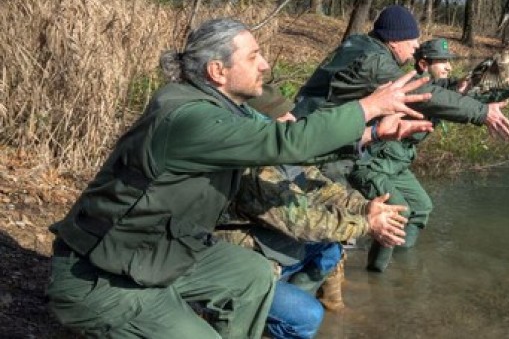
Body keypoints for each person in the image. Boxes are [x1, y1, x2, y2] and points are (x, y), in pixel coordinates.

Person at [45, 18, 432, 338]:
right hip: (100, 280)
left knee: (251, 274)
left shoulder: (220, 110)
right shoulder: (189, 116)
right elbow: (286, 143)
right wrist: (368, 107)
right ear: (217, 71)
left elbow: (291, 149)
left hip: (156, 255)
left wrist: (372, 134)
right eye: (254, 56)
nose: (265, 64)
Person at [293, 5, 509, 273]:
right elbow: (434, 97)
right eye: (412, 40)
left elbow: (457, 92)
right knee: (333, 231)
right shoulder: (374, 62)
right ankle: (354, 277)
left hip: (328, 143)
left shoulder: (367, 51)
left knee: (397, 213)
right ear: (394, 39)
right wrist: (482, 113)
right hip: (323, 148)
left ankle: (384, 273)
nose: (416, 46)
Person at [213, 85, 410, 338]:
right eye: (283, 118)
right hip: (243, 261)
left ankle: (299, 310)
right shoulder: (252, 169)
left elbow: (322, 188)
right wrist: (366, 224)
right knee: (307, 317)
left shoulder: (283, 153)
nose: (293, 121)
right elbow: (302, 221)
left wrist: (364, 207)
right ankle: (274, 317)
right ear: (260, 126)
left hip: (267, 246)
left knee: (330, 249)